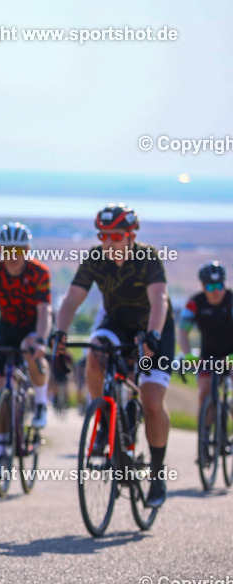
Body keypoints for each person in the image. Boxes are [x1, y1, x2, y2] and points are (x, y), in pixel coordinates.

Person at [54, 203, 173, 507]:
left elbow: (159, 298)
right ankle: (105, 421)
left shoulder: (147, 257)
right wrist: (60, 334)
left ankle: (157, 474)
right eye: (104, 235)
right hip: (117, 323)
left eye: (117, 236)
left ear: (131, 235)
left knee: (152, 402)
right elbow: (71, 300)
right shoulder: (95, 258)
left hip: (154, 326)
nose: (110, 243)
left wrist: (154, 335)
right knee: (95, 353)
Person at [0, 223, 52, 465]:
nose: (13, 257)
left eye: (18, 251)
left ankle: (40, 403)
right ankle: (3, 444)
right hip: (8, 327)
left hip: (34, 325)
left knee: (30, 349)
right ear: (0, 250)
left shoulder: (39, 272)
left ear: (27, 250)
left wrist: (41, 340)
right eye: (7, 251)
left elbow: (45, 310)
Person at [177, 261, 233, 420]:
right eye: (210, 287)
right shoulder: (194, 303)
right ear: (203, 286)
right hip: (208, 355)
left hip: (231, 354)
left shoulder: (231, 300)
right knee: (204, 391)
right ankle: (206, 435)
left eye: (219, 286)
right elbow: (182, 331)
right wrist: (188, 355)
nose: (216, 291)